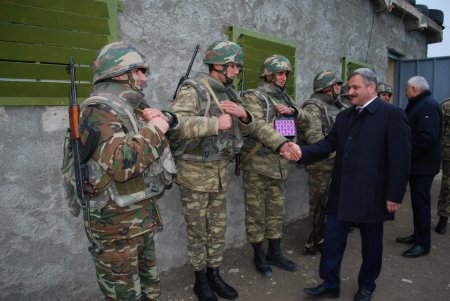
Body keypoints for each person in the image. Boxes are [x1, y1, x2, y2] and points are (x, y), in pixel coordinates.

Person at [170, 41, 300, 301]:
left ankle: (214, 274)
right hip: (194, 173)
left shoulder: (232, 94)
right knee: (198, 231)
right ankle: (200, 279)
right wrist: (213, 123)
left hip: (219, 173)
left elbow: (257, 128)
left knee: (217, 229)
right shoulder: (193, 88)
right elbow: (175, 124)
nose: (238, 71)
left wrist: (274, 138)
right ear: (219, 65)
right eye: (234, 66)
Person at [75, 42, 178, 300]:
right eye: (139, 71)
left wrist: (157, 122)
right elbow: (121, 165)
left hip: (138, 218)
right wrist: (155, 128)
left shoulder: (126, 109)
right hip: (116, 227)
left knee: (150, 288)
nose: (144, 78)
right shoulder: (98, 111)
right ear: (120, 73)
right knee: (124, 294)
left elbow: (147, 152)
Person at [300, 68, 411, 301]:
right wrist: (299, 152)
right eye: (349, 88)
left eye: (355, 88)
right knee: (332, 240)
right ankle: (330, 283)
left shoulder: (391, 115)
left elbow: (400, 159)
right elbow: (327, 145)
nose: (349, 92)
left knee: (371, 246)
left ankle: (367, 286)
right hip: (342, 192)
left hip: (373, 194)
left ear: (371, 87)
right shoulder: (344, 117)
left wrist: (394, 195)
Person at [240, 55, 302, 278]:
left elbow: (291, 128)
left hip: (279, 166)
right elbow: (255, 126)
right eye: (279, 73)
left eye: (286, 73)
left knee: (276, 212)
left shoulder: (285, 99)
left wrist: (293, 113)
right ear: (267, 74)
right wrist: (283, 143)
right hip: (257, 166)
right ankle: (258, 254)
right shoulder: (252, 96)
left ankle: (275, 252)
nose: (284, 77)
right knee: (256, 212)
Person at [299, 70, 348, 255]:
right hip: (321, 166)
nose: (340, 88)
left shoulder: (339, 106)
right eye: (336, 84)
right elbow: (316, 140)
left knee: (333, 206)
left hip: (337, 164)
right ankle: (316, 239)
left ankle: (326, 238)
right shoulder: (313, 107)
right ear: (326, 87)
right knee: (320, 206)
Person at [396, 76, 443, 257]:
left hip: (422, 166)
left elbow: (427, 138)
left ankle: (423, 244)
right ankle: (418, 235)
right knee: (417, 203)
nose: (405, 92)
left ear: (415, 89)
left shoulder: (428, 106)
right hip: (418, 164)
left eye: (407, 89)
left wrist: (407, 155)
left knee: (421, 204)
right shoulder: (420, 103)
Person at [436, 97, 450, 234]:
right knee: (447, 186)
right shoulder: (446, 105)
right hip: (449, 153)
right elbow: (439, 130)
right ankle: (443, 217)